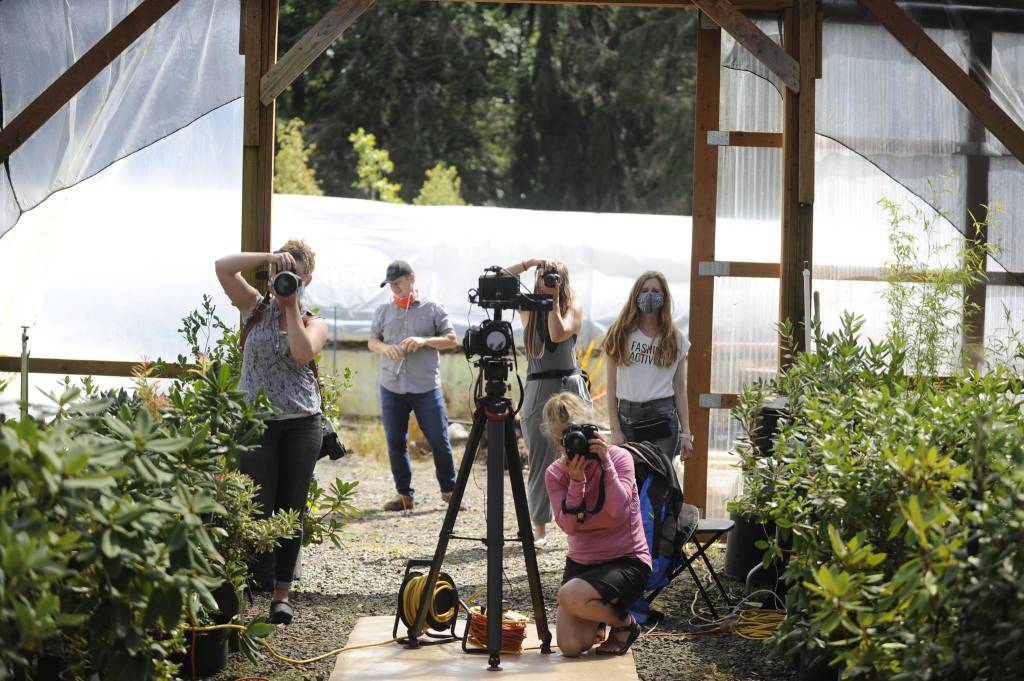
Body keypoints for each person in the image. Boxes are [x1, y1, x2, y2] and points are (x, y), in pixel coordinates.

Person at [214, 240, 328, 625]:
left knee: (290, 507)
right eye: (280, 273)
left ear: (306, 279)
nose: (284, 280)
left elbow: (301, 352)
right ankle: (242, 586)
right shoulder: (253, 307)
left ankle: (281, 594)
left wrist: (290, 304)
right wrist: (267, 259)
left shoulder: (314, 322)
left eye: (293, 274)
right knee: (253, 505)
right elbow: (222, 266)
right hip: (255, 422)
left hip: (301, 424)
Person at [543, 392, 651, 657]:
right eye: (566, 437)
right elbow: (570, 527)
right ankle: (597, 616)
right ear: (557, 441)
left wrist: (606, 463)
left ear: (593, 430)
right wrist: (576, 482)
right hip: (582, 565)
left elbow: (617, 511)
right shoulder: (556, 473)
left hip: (626, 561)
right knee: (571, 647)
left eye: (579, 432)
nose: (575, 442)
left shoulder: (620, 458)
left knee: (569, 596)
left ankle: (624, 624)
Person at [503, 258, 590, 546]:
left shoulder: (573, 307)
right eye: (543, 275)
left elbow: (557, 333)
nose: (547, 279)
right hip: (538, 384)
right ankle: (539, 526)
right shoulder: (527, 307)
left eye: (553, 275)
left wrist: (552, 301)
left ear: (563, 280)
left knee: (580, 451)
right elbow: (500, 278)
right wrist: (529, 263)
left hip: (569, 385)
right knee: (539, 457)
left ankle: (582, 523)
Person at [368, 260, 460, 512]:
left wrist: (424, 341)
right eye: (390, 285)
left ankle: (450, 491)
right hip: (392, 386)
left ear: (412, 278)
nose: (394, 288)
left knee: (439, 439)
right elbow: (372, 341)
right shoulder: (383, 310)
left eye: (398, 283)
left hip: (426, 387)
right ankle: (404, 496)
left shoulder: (432, 308)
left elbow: (451, 340)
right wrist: (385, 348)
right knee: (395, 442)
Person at [602, 271, 693, 465]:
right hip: (628, 419)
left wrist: (686, 433)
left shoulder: (675, 339)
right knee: (630, 478)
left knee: (659, 478)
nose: (649, 295)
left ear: (664, 297)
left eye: (655, 291)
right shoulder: (619, 334)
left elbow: (680, 389)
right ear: (636, 295)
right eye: (644, 290)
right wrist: (615, 429)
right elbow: (611, 386)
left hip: (663, 418)